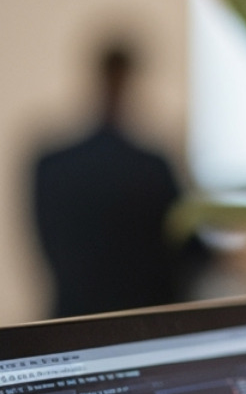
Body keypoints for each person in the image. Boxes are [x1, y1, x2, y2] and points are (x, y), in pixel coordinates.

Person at [32, 39, 201, 317]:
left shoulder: (51, 165)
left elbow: (45, 245)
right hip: (144, 321)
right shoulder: (150, 167)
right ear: (130, 80)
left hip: (71, 319)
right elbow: (188, 249)